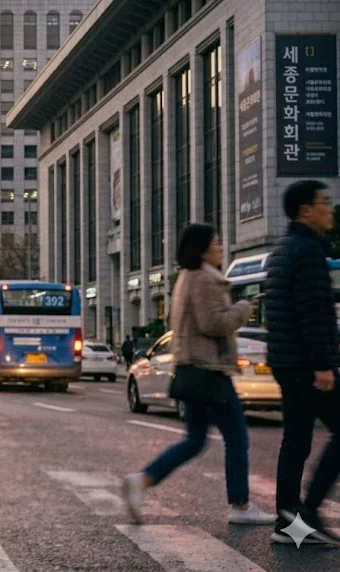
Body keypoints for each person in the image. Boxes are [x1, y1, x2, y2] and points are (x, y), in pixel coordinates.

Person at [121, 223, 274, 526]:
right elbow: (213, 323)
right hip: (210, 371)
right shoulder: (204, 278)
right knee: (237, 437)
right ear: (203, 248)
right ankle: (240, 505)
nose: (220, 247)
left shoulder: (187, 277)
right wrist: (243, 309)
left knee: (195, 440)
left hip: (194, 369)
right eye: (216, 242)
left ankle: (142, 481)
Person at [265, 180, 340, 545]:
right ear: (305, 210)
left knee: (296, 439)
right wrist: (323, 365)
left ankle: (288, 523)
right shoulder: (307, 250)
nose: (331, 208)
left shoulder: (285, 248)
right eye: (325, 202)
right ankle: (306, 514)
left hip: (287, 361)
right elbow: (313, 314)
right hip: (306, 363)